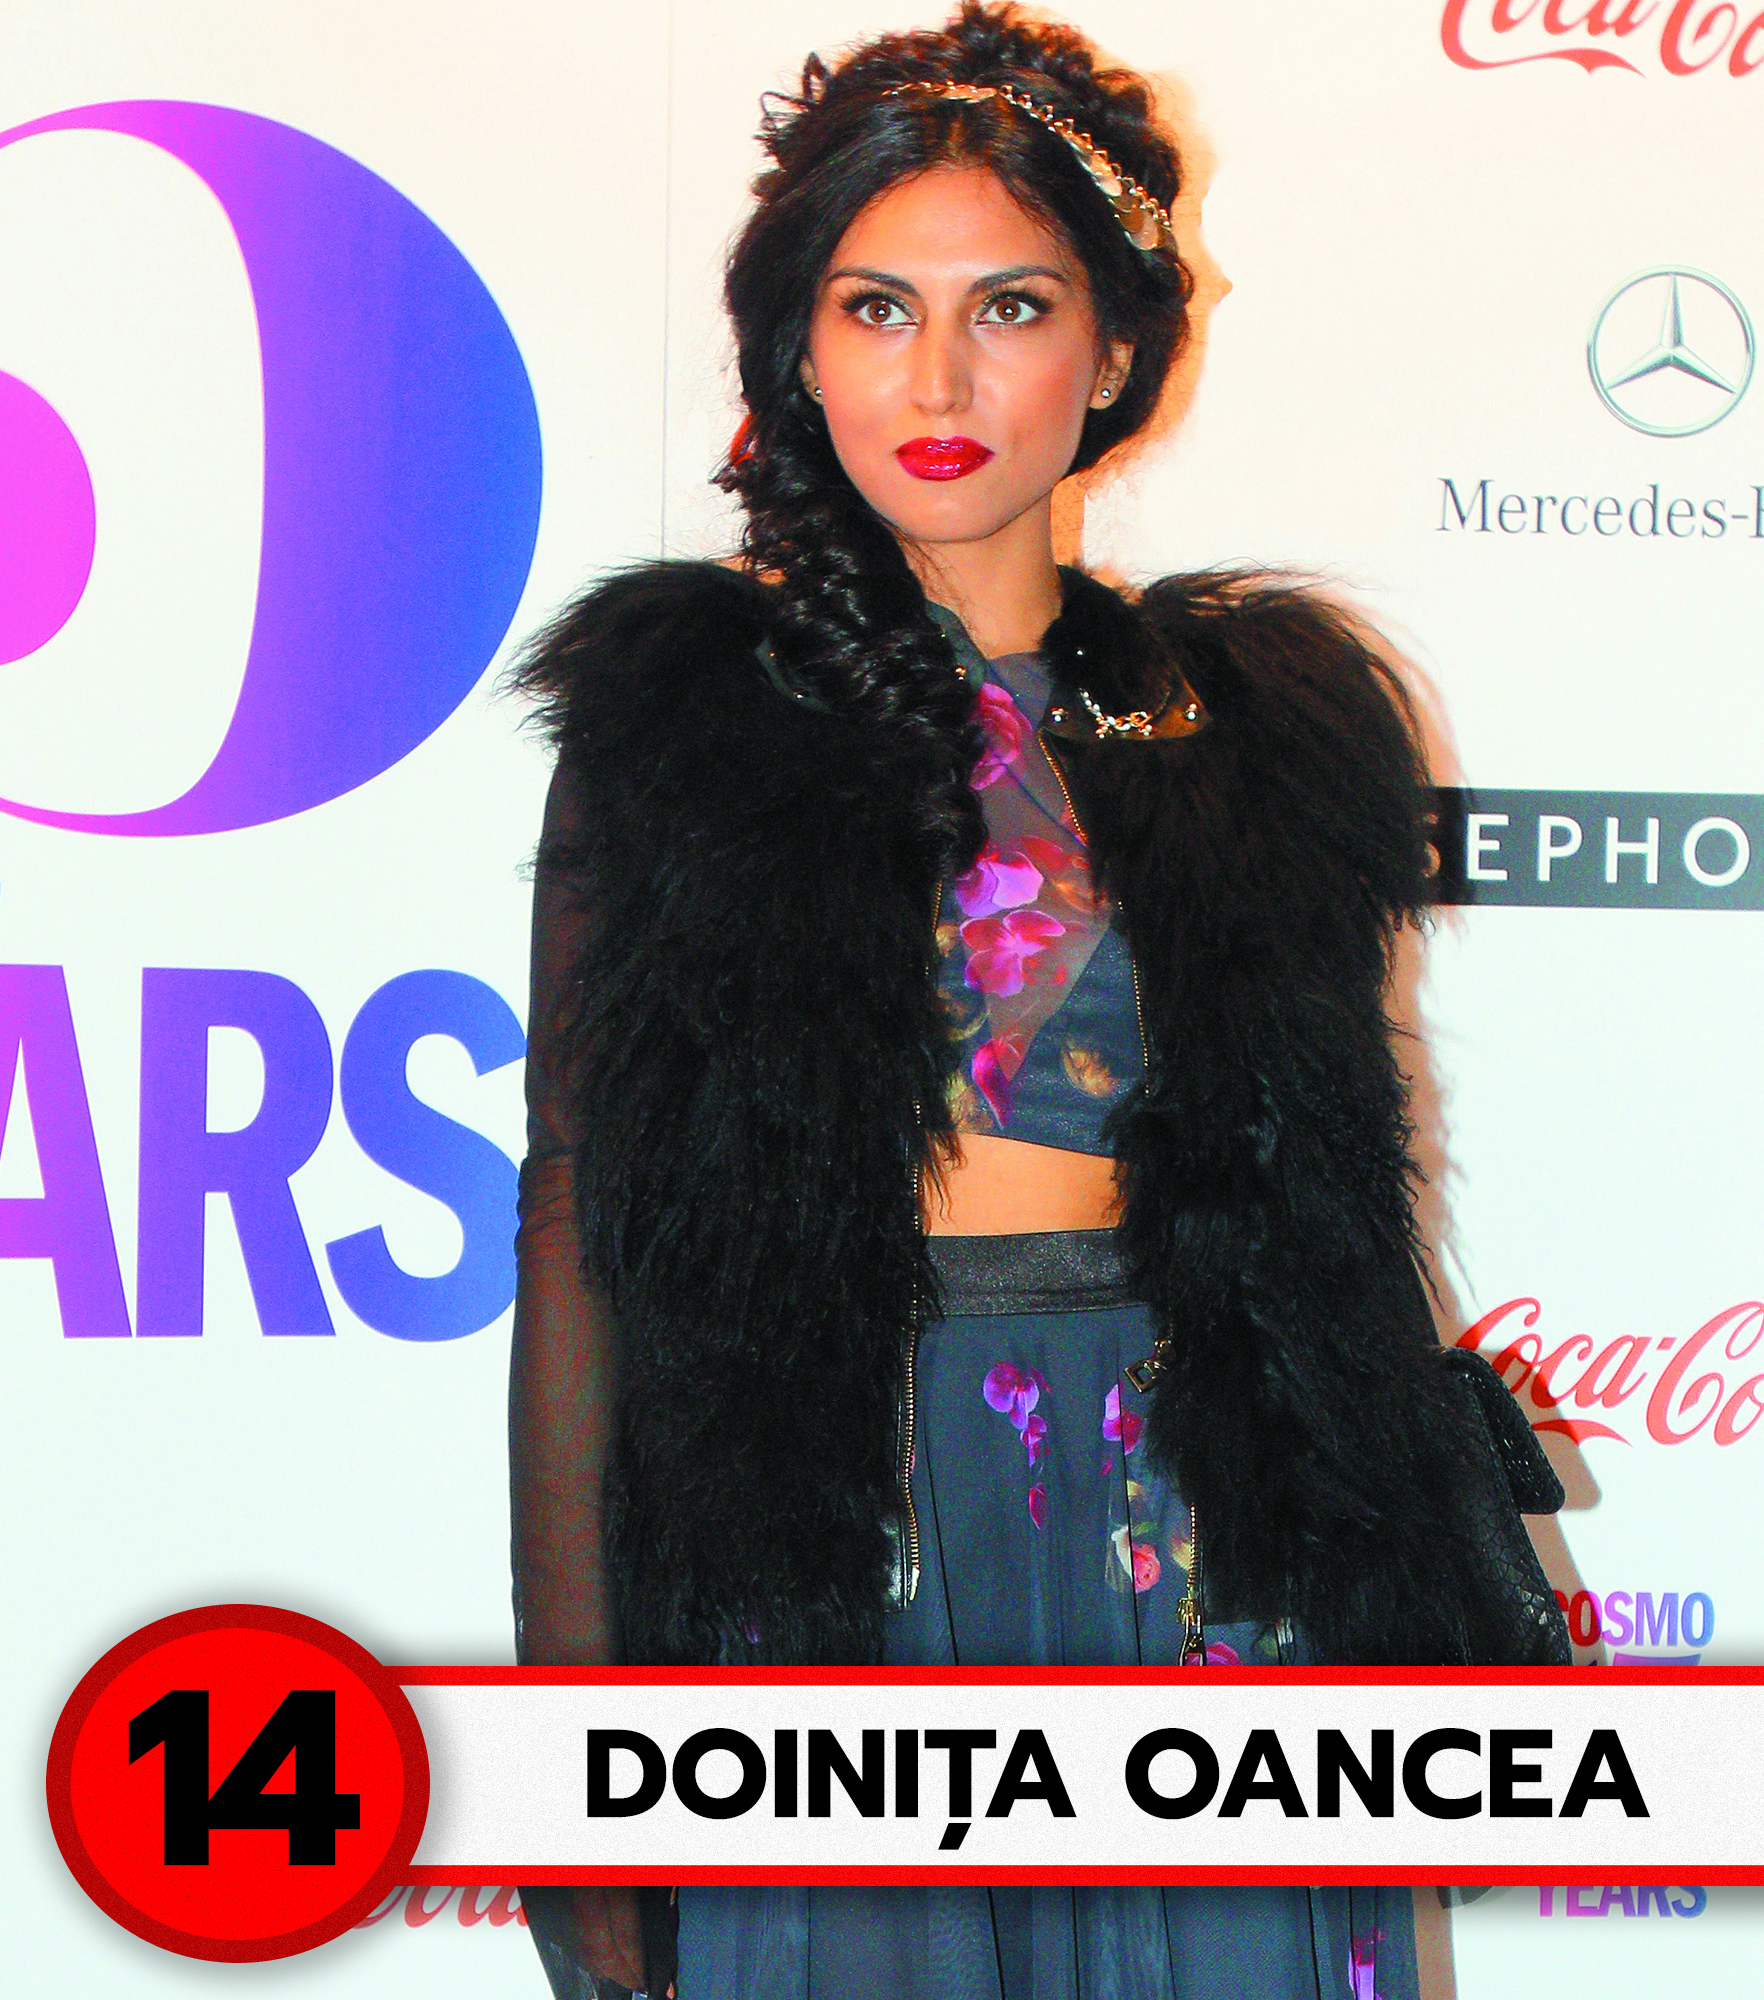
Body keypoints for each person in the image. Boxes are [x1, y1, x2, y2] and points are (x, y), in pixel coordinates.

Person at [509, 6, 1569, 1996]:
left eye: (1009, 306)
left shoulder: (1267, 731)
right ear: (797, 352)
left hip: (1205, 1542)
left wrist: (1407, 1622)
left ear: (1115, 350)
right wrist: (579, 1756)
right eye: (874, 308)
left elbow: (1328, 1213)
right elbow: (577, 1227)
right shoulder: (682, 730)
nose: (938, 377)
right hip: (839, 1548)